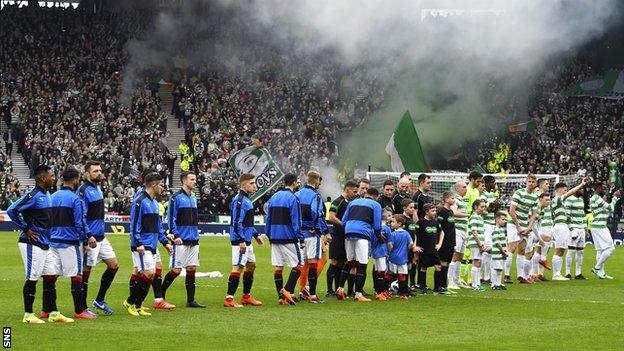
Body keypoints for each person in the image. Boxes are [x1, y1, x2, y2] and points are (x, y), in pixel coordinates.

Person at [43, 167, 96, 321]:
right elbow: (79, 222)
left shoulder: (52, 196)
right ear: (74, 180)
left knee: (51, 276)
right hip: (69, 242)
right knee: (77, 276)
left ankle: (46, 310)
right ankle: (80, 310)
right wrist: (85, 241)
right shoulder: (75, 199)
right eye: (78, 178)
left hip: (53, 241)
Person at [7, 165, 55, 324]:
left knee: (50, 276)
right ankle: (28, 314)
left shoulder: (47, 194)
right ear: (42, 178)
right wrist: (25, 228)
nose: (53, 178)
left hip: (45, 243)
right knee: (33, 278)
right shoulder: (33, 195)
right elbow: (12, 210)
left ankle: (52, 312)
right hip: (32, 242)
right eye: (51, 175)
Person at [125, 173, 173, 316]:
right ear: (154, 184)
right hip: (142, 245)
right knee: (149, 273)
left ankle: (136, 305)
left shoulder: (153, 202)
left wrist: (165, 242)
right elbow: (134, 224)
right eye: (160, 184)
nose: (162, 187)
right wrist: (137, 242)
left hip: (151, 245)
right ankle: (131, 303)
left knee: (149, 275)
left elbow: (158, 225)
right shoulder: (140, 201)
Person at [78, 160, 118, 315]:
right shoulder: (83, 190)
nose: (99, 173)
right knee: (85, 272)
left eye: (100, 170)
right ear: (87, 173)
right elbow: (81, 216)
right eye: (95, 171)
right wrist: (87, 237)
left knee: (114, 266)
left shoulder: (98, 188)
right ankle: (83, 308)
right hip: (91, 239)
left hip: (101, 237)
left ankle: (99, 300)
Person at [160, 171, 205, 308]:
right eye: (192, 179)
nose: (194, 181)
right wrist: (176, 235)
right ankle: (159, 296)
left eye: (195, 179)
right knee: (176, 270)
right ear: (184, 181)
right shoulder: (176, 197)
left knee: (191, 269)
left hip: (193, 239)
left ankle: (191, 300)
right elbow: (171, 218)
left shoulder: (193, 197)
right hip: (181, 239)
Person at [224, 173, 265, 308]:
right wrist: (241, 240)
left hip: (247, 240)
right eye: (252, 183)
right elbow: (237, 222)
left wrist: (255, 235)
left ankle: (246, 296)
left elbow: (247, 223)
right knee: (238, 267)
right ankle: (229, 299)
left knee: (251, 265)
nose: (255, 186)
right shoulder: (240, 200)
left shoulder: (247, 199)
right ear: (243, 185)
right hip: (240, 241)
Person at [335, 187, 382, 302]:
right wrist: (378, 235)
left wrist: (349, 228)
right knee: (362, 263)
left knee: (349, 261)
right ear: (375, 197)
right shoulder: (375, 205)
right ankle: (358, 294)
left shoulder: (353, 202)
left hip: (349, 231)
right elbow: (377, 225)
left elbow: (344, 220)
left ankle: (340, 288)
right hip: (362, 233)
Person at [265, 173, 304, 305]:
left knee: (278, 266)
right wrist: (300, 237)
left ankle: (281, 298)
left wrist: (269, 234)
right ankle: (287, 290)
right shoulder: (293, 198)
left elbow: (268, 218)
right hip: (288, 237)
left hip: (274, 236)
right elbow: (296, 220)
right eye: (297, 181)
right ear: (293, 182)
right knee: (299, 264)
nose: (298, 183)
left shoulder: (274, 197)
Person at [295, 171, 329, 303]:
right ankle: (312, 295)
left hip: (299, 235)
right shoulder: (315, 196)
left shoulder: (297, 194)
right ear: (316, 181)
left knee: (300, 264)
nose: (320, 184)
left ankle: (298, 291)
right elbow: (317, 214)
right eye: (319, 181)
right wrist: (324, 231)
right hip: (311, 233)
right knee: (313, 263)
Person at [326, 180, 358, 296]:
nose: (355, 194)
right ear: (347, 190)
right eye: (354, 191)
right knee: (335, 261)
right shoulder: (338, 201)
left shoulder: (351, 202)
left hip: (347, 237)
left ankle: (341, 289)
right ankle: (329, 290)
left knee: (345, 262)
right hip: (338, 236)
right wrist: (344, 225)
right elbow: (331, 216)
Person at [506, 174, 539, 284]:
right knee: (512, 247)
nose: (531, 183)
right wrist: (518, 226)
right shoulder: (519, 193)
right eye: (529, 181)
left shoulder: (535, 197)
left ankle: (520, 276)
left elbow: (534, 214)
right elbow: (511, 211)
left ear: (535, 183)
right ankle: (506, 275)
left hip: (525, 225)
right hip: (513, 224)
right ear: (526, 182)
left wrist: (529, 228)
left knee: (522, 250)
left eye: (533, 182)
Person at [551, 180, 586, 280]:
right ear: (559, 190)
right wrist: (581, 185)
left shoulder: (559, 202)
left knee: (561, 250)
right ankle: (556, 274)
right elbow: (571, 193)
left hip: (563, 227)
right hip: (560, 227)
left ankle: (557, 274)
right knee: (559, 250)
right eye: (565, 190)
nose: (566, 192)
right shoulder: (557, 199)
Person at [415, 203, 447, 294]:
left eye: (435, 211)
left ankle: (437, 288)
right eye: (432, 211)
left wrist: (439, 244)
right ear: (426, 212)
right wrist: (415, 246)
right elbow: (415, 234)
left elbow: (441, 233)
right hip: (423, 250)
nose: (435, 213)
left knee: (438, 266)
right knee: (423, 268)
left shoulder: (436, 222)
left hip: (434, 250)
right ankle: (422, 287)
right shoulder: (420, 222)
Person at [387, 214, 420, 300]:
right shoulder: (406, 233)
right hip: (403, 258)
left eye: (393, 222)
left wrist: (389, 248)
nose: (391, 223)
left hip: (393, 257)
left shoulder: (393, 234)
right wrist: (406, 248)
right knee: (402, 275)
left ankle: (387, 290)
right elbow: (411, 244)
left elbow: (390, 245)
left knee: (390, 274)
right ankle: (403, 293)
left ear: (399, 223)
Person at [590, 182, 615, 279]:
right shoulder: (596, 198)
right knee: (610, 248)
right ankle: (597, 268)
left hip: (596, 225)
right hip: (600, 226)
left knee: (600, 250)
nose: (603, 190)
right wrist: (615, 198)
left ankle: (602, 273)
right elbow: (610, 208)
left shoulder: (595, 199)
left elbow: (607, 211)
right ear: (597, 188)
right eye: (602, 188)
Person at [448, 181, 469, 288]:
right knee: (454, 256)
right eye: (464, 187)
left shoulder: (463, 200)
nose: (466, 189)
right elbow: (454, 212)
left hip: (463, 231)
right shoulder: (455, 199)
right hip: (457, 231)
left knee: (460, 256)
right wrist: (468, 214)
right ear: (457, 189)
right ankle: (450, 281)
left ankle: (456, 280)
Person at [479, 176, 499, 285]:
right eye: (493, 182)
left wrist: (495, 205)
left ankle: (486, 276)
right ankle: (483, 276)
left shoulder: (492, 194)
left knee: (490, 251)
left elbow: (496, 207)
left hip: (492, 224)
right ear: (487, 183)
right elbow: (483, 209)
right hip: (485, 224)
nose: (494, 184)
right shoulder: (482, 195)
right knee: (487, 249)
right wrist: (492, 205)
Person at [564, 184, 587, 280]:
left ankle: (578, 273)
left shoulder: (581, 200)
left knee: (580, 252)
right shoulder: (569, 200)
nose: (581, 190)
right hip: (574, 228)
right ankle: (567, 272)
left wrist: (585, 227)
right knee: (571, 250)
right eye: (580, 189)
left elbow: (582, 214)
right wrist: (571, 229)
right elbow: (567, 216)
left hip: (581, 229)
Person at [436, 191, 457, 293]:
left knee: (447, 263)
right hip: (444, 241)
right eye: (452, 198)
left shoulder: (451, 212)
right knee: (443, 262)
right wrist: (440, 241)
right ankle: (441, 285)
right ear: (446, 199)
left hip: (451, 241)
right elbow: (440, 227)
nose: (454, 200)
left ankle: (444, 285)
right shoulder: (442, 212)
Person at [372, 209, 392, 300]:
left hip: (375, 252)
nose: (391, 218)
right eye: (390, 216)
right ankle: (381, 293)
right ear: (387, 217)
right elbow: (390, 243)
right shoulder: (387, 228)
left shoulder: (374, 228)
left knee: (377, 271)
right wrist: (390, 251)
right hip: (383, 252)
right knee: (382, 271)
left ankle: (378, 291)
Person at [468, 199, 487, 291]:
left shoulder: (479, 217)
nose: (483, 209)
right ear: (475, 207)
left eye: (484, 207)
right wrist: (480, 244)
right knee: (476, 262)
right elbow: (474, 231)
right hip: (475, 243)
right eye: (481, 207)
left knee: (479, 263)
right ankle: (475, 285)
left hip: (479, 243)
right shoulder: (474, 217)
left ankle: (477, 283)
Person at [490, 212, 509, 290]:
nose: (505, 221)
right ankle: (494, 284)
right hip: (497, 253)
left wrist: (506, 251)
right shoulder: (495, 229)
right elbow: (497, 242)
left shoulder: (501, 230)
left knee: (500, 268)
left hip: (502, 254)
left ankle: (498, 283)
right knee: (496, 268)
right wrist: (502, 251)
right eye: (503, 219)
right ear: (497, 219)